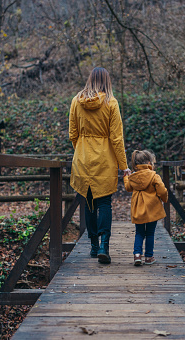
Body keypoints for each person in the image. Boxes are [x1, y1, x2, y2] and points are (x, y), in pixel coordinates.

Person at [69, 67, 131, 264]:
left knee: (88, 203)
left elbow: (72, 134)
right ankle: (104, 245)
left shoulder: (76, 101)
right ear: (107, 81)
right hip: (104, 160)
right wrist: (124, 166)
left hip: (82, 159)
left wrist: (80, 149)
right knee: (104, 203)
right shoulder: (111, 102)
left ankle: (94, 246)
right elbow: (116, 138)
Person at [123, 150, 168, 266]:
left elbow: (128, 188)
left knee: (139, 233)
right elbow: (162, 190)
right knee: (150, 233)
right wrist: (164, 198)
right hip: (152, 209)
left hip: (138, 209)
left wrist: (126, 178)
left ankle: (137, 255)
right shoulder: (154, 176)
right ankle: (149, 257)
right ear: (149, 162)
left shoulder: (132, 177)